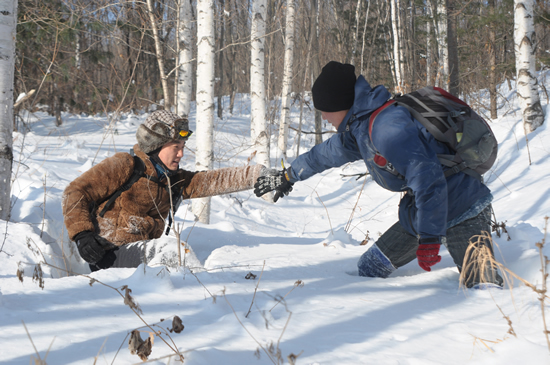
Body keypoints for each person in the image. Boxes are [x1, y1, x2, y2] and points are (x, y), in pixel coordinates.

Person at [254, 61, 503, 289]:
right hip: (422, 213)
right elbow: (323, 155)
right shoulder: (361, 129)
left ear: (339, 104)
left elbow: (426, 178)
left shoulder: (387, 128)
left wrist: (429, 237)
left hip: (462, 207)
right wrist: (287, 177)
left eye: (324, 111)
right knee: (370, 267)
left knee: (484, 287)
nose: (324, 117)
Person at [63, 110, 264, 271]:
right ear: (154, 145)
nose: (181, 153)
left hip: (143, 255)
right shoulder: (125, 165)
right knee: (171, 250)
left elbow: (213, 180)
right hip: (109, 255)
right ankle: (202, 297)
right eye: (175, 146)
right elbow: (76, 191)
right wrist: (82, 235)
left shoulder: (171, 179)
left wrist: (259, 175)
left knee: (173, 251)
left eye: (183, 146)